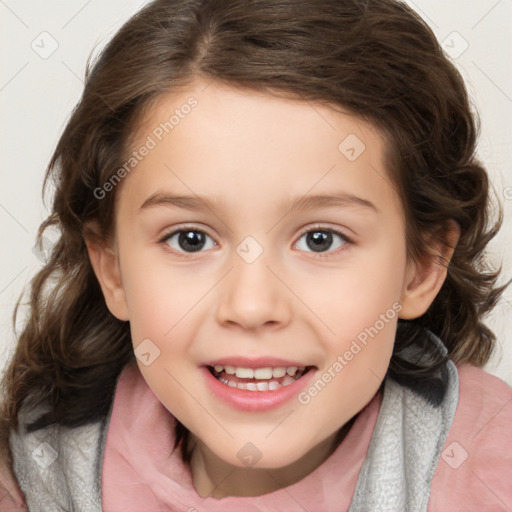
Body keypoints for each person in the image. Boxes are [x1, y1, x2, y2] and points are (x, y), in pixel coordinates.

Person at [1, 0, 511, 510]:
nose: (251, 306)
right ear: (111, 268)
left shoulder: (492, 473)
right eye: (191, 239)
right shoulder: (28, 474)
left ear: (420, 266)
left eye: (320, 239)